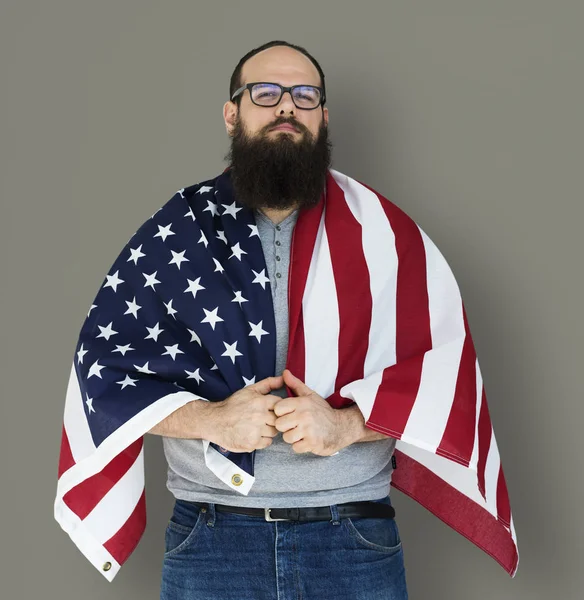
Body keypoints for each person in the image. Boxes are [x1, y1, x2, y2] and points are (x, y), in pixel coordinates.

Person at [54, 39, 518, 600]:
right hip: (211, 542)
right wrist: (212, 420)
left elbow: (447, 380)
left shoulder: (388, 237)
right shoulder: (175, 232)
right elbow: (103, 379)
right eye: (265, 93)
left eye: (304, 95)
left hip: (352, 540)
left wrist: (345, 426)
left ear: (323, 116)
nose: (286, 108)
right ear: (233, 113)